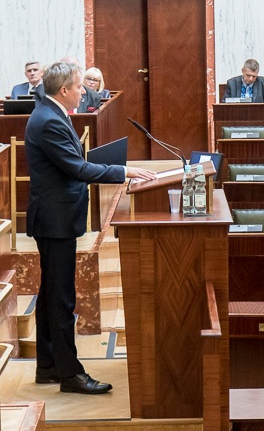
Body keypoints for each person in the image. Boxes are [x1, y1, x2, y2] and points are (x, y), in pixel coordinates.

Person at [26, 61, 156, 394]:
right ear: (64, 90)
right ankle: (70, 374)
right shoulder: (48, 120)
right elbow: (77, 169)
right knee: (61, 299)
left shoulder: (50, 112)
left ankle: (48, 366)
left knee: (51, 296)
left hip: (55, 218)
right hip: (55, 220)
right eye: (78, 86)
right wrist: (123, 171)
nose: (83, 91)